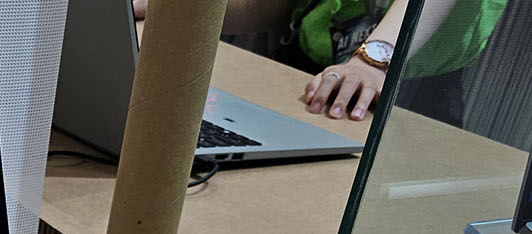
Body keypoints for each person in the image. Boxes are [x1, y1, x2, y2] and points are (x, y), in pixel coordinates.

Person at [134, 0, 507, 126]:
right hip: (301, 76)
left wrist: (372, 61)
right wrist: (170, 6)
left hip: (404, 93)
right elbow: (267, 9)